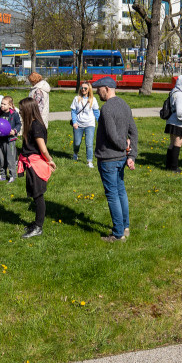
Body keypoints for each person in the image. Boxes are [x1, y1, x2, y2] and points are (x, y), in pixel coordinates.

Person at [92, 76, 137, 242]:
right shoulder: (125, 105)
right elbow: (134, 132)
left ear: (107, 88)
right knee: (120, 192)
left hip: (108, 158)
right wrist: (131, 154)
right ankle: (125, 227)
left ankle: (118, 234)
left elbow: (112, 135)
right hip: (120, 158)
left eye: (99, 89)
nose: (97, 93)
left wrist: (126, 148)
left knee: (113, 195)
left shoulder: (107, 108)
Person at [16, 97, 56, 239]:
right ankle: (37, 223)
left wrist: (50, 161)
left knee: (38, 195)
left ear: (28, 110)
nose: (19, 112)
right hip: (30, 163)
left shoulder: (36, 126)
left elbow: (43, 149)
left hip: (36, 164)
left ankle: (38, 227)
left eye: (21, 109)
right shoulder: (30, 124)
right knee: (35, 194)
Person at [164, 74, 182, 173]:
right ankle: (174, 167)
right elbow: (180, 113)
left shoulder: (174, 92)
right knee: (177, 144)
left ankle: (168, 165)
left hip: (171, 121)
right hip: (178, 123)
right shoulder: (180, 96)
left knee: (172, 144)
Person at [70, 81, 100, 168]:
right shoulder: (76, 98)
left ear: (89, 89)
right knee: (77, 143)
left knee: (89, 144)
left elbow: (96, 113)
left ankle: (89, 161)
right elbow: (73, 111)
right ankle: (75, 153)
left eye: (85, 88)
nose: (83, 89)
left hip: (90, 124)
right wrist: (74, 122)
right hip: (78, 124)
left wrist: (101, 123)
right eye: (82, 88)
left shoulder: (93, 100)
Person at [0, 96, 22, 183]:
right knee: (2, 159)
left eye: (4, 104)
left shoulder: (14, 114)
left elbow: (19, 124)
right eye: (1, 103)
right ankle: (2, 175)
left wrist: (15, 131)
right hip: (0, 140)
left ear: (10, 105)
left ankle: (12, 176)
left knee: (10, 159)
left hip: (10, 140)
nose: (2, 105)